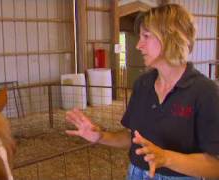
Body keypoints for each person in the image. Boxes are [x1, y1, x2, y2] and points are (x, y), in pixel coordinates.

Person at [65, 4, 219, 180]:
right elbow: (132, 137)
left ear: (171, 37)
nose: (138, 45)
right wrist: (100, 136)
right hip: (136, 174)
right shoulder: (143, 84)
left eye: (146, 36)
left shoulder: (205, 92)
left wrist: (167, 158)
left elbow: (214, 166)